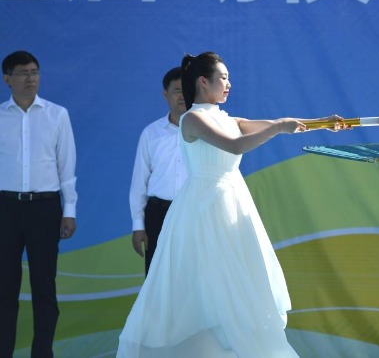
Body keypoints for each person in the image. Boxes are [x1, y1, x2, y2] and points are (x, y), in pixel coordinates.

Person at [117, 51, 345, 357]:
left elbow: (279, 123)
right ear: (203, 81)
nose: (228, 84)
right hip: (202, 210)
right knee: (204, 286)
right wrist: (278, 128)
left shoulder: (228, 118)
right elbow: (236, 145)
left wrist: (323, 123)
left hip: (234, 205)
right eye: (223, 78)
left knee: (239, 284)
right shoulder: (192, 119)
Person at [0, 50, 77, 358]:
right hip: (5, 209)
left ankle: (42, 352)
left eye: (34, 72)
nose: (30, 78)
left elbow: (66, 167)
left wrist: (69, 210)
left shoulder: (57, 115)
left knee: (44, 288)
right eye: (23, 73)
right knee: (5, 288)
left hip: (45, 208)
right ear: (8, 79)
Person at [129, 67, 187, 275]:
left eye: (187, 90)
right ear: (165, 94)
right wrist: (138, 225)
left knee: (192, 278)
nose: (183, 96)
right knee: (157, 279)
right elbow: (140, 182)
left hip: (192, 213)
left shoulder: (207, 132)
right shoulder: (151, 133)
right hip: (158, 214)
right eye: (177, 90)